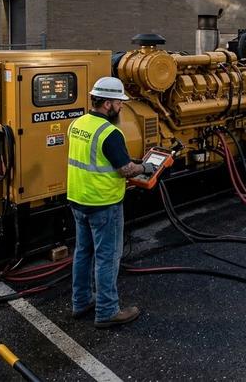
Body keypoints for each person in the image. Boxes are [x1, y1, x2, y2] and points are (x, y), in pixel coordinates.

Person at [67, 76, 151, 328]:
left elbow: (95, 160)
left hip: (78, 200)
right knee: (107, 258)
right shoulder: (110, 133)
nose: (122, 107)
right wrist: (147, 166)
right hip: (104, 205)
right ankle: (107, 311)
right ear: (106, 104)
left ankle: (80, 302)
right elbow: (126, 169)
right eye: (119, 103)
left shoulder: (77, 123)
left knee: (83, 253)